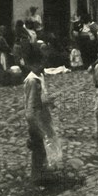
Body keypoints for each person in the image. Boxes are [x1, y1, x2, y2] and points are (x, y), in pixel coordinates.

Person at [23, 45, 61, 184]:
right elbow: (29, 106)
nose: (40, 66)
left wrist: (48, 102)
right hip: (36, 118)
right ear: (29, 64)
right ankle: (37, 175)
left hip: (44, 113)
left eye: (42, 63)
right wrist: (33, 125)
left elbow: (42, 96)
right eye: (36, 64)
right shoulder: (31, 81)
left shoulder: (40, 76)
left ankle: (48, 167)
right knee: (39, 145)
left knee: (49, 138)